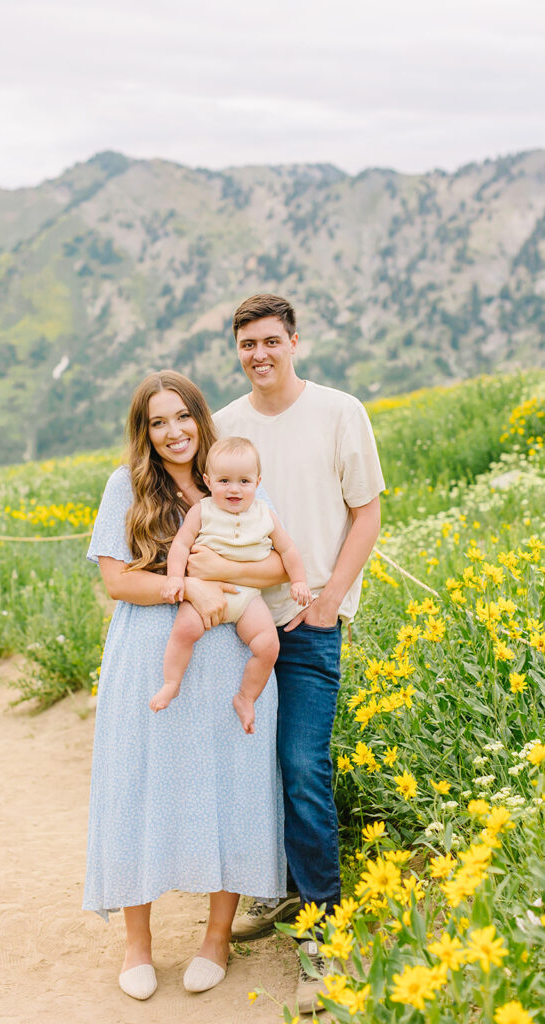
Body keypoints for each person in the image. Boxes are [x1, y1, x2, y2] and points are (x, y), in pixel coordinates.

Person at [186, 295, 385, 1015]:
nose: (259, 353)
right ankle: (285, 893)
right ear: (237, 350)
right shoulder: (228, 428)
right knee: (248, 767)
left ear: (294, 341)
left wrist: (332, 595)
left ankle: (324, 939)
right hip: (235, 628)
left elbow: (367, 510)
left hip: (311, 624)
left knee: (302, 767)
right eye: (247, 343)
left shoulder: (339, 411)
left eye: (271, 340)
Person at [83, 370, 286, 1002]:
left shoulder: (231, 476)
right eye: (157, 422)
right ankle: (137, 947)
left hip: (231, 657)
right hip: (150, 654)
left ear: (201, 416)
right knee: (137, 783)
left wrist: (218, 571)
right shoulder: (128, 485)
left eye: (182, 417)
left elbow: (282, 561)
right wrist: (184, 586)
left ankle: (216, 939)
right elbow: (117, 581)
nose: (173, 433)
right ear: (144, 432)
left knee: (235, 783)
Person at [150, 436, 311, 733]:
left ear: (257, 482)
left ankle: (246, 697)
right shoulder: (203, 510)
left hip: (248, 598)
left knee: (267, 645)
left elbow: (288, 551)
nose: (234, 489)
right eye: (224, 481)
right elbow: (181, 545)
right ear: (208, 481)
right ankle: (172, 683)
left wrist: (299, 580)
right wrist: (175, 577)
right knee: (184, 631)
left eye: (244, 481)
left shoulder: (265, 514)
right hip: (202, 592)